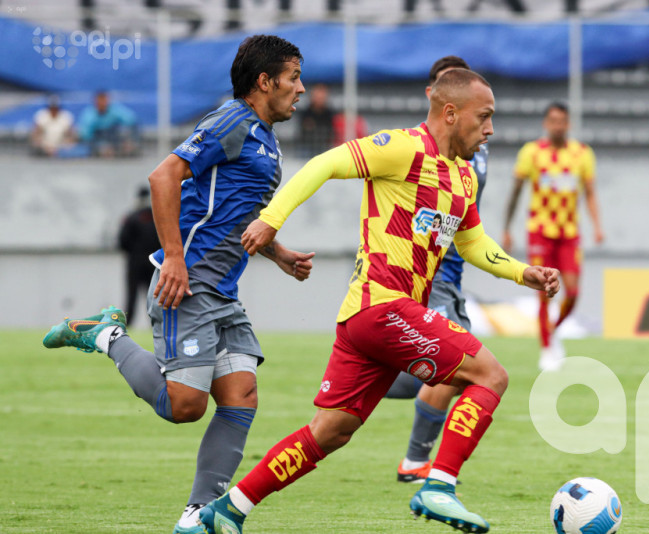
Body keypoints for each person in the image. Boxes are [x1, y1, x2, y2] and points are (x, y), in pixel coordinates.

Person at [197, 68, 560, 534]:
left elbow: (472, 245)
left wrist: (522, 271)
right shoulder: (402, 148)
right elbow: (324, 164)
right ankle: (439, 486)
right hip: (383, 306)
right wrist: (272, 219)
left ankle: (228, 510)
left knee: (329, 432)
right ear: (451, 113)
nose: (490, 129)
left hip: (366, 321)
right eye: (484, 117)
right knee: (490, 375)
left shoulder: (464, 178)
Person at [42, 35, 315, 534]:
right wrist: (172, 258)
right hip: (186, 284)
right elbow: (164, 176)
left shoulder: (264, 137)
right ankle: (104, 334)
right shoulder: (231, 120)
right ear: (264, 81)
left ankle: (197, 515)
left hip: (221, 291)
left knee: (241, 396)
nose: (301, 88)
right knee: (184, 406)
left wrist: (277, 253)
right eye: (293, 77)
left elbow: (238, 212)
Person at [383, 55, 492, 486]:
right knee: (466, 366)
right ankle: (415, 462)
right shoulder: (413, 148)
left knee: (448, 371)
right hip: (428, 276)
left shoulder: (473, 149)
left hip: (450, 274)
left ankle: (367, 369)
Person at [502, 101, 603, 372]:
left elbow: (590, 192)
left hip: (569, 233)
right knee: (545, 292)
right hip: (540, 232)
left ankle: (552, 330)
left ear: (568, 123)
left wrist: (597, 225)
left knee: (573, 292)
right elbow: (515, 191)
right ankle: (547, 349)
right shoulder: (532, 153)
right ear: (546, 123)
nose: (558, 126)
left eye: (562, 121)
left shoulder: (582, 154)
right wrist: (507, 228)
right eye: (553, 121)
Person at [118, 185, 161, 326]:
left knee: (131, 296)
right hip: (153, 263)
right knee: (153, 296)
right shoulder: (157, 217)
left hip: (134, 263)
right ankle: (155, 324)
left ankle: (127, 325)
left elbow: (122, 241)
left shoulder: (131, 217)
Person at [77, 91, 139, 157]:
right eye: (100, 101)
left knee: (125, 134)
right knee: (104, 150)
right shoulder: (89, 115)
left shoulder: (114, 110)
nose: (102, 103)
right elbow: (86, 135)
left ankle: (124, 148)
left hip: (113, 135)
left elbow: (130, 119)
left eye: (104, 101)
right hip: (98, 138)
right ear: (96, 102)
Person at [298, 83, 334, 156]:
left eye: (322, 97)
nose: (320, 99)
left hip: (324, 146)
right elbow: (303, 133)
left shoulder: (329, 113)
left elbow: (331, 133)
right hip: (307, 146)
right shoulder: (305, 113)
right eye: (318, 97)